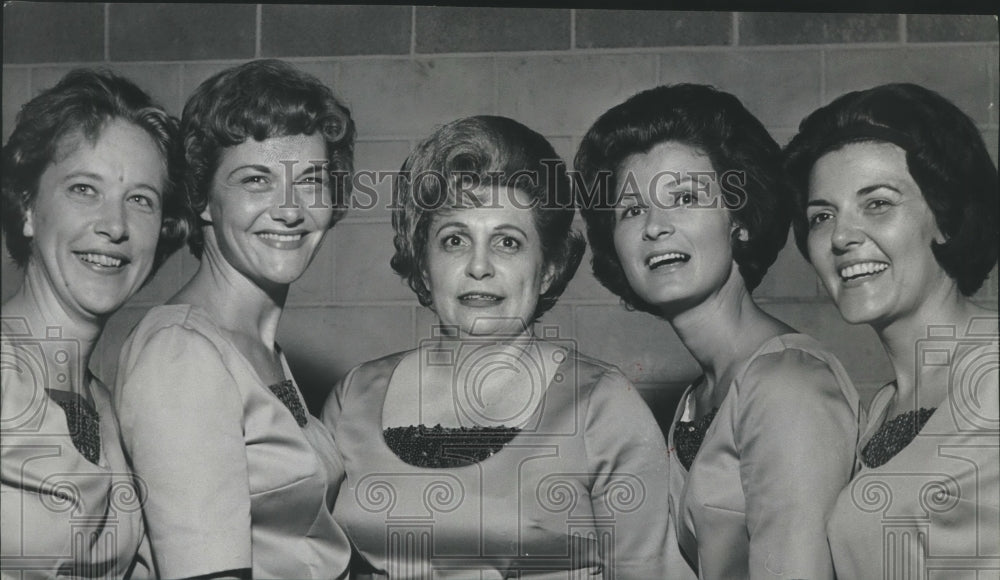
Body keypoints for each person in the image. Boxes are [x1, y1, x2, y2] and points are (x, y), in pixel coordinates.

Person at [321, 115, 672, 578]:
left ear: (548, 267)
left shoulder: (601, 406)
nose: (479, 266)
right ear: (424, 266)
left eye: (507, 241)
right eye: (454, 240)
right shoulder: (355, 398)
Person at [575, 84, 861, 580]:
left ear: (740, 218)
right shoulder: (699, 398)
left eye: (684, 197)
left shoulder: (788, 385)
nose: (655, 226)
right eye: (630, 209)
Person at [111, 59, 355, 579]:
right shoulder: (181, 354)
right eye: (256, 180)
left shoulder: (257, 346)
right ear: (201, 198)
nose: (290, 210)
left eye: (311, 180)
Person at [784, 82, 999, 579]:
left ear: (943, 219)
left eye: (877, 204)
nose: (841, 237)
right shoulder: (882, 408)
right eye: (822, 216)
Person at [1, 68, 186, 578]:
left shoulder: (105, 403)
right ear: (28, 210)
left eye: (141, 200)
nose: (115, 226)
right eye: (85, 188)